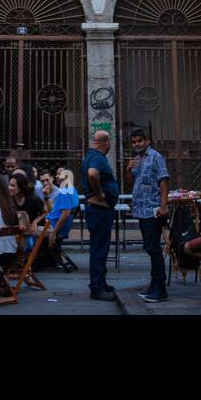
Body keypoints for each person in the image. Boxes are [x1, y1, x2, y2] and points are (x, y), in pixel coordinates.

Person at [128, 128, 170, 303]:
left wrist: (163, 205)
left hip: (153, 210)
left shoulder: (156, 157)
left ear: (147, 141)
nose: (137, 144)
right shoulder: (138, 159)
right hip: (141, 209)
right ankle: (154, 284)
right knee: (150, 248)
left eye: (139, 141)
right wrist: (128, 169)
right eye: (134, 142)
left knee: (153, 249)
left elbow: (164, 180)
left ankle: (160, 289)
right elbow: (134, 181)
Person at [81, 130, 119, 301]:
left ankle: (101, 283)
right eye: (109, 141)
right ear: (106, 142)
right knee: (99, 250)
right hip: (99, 210)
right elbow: (92, 173)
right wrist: (101, 194)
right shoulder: (96, 157)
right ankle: (97, 288)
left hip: (99, 211)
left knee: (100, 249)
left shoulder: (92, 155)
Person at [46, 168, 80, 252]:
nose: (56, 176)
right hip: (54, 224)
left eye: (59, 174)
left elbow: (65, 214)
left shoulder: (65, 191)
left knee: (29, 231)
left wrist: (54, 232)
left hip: (52, 226)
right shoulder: (72, 190)